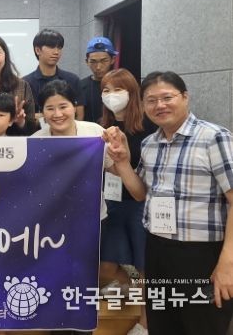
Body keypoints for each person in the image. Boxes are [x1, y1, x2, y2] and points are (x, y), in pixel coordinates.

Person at [104, 71, 233, 335]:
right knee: (163, 325)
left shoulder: (214, 137)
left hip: (203, 255)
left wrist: (227, 263)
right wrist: (122, 162)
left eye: (167, 98)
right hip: (158, 249)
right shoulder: (151, 143)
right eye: (151, 100)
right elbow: (140, 193)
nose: (159, 106)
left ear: (185, 97)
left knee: (203, 326)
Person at [99, 68, 155, 335]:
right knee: (108, 264)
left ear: (132, 93)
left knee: (143, 266)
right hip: (112, 203)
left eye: (118, 90)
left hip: (140, 204)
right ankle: (130, 287)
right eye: (106, 90)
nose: (111, 96)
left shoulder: (147, 126)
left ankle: (144, 322)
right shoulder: (102, 127)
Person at [32, 80, 110, 220]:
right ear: (42, 112)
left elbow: (115, 167)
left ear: (74, 106)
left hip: (92, 217)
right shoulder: (35, 142)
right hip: (50, 219)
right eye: (50, 108)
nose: (57, 114)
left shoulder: (95, 132)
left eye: (63, 107)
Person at [23, 28, 84, 120]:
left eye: (59, 47)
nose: (56, 52)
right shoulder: (25, 83)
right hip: (35, 129)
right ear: (38, 50)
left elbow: (79, 115)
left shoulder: (72, 80)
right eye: (51, 47)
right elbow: (22, 117)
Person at [81, 37, 117, 124]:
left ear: (113, 60)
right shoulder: (80, 86)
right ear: (87, 62)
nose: (98, 67)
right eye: (93, 62)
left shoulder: (122, 84)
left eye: (104, 61)